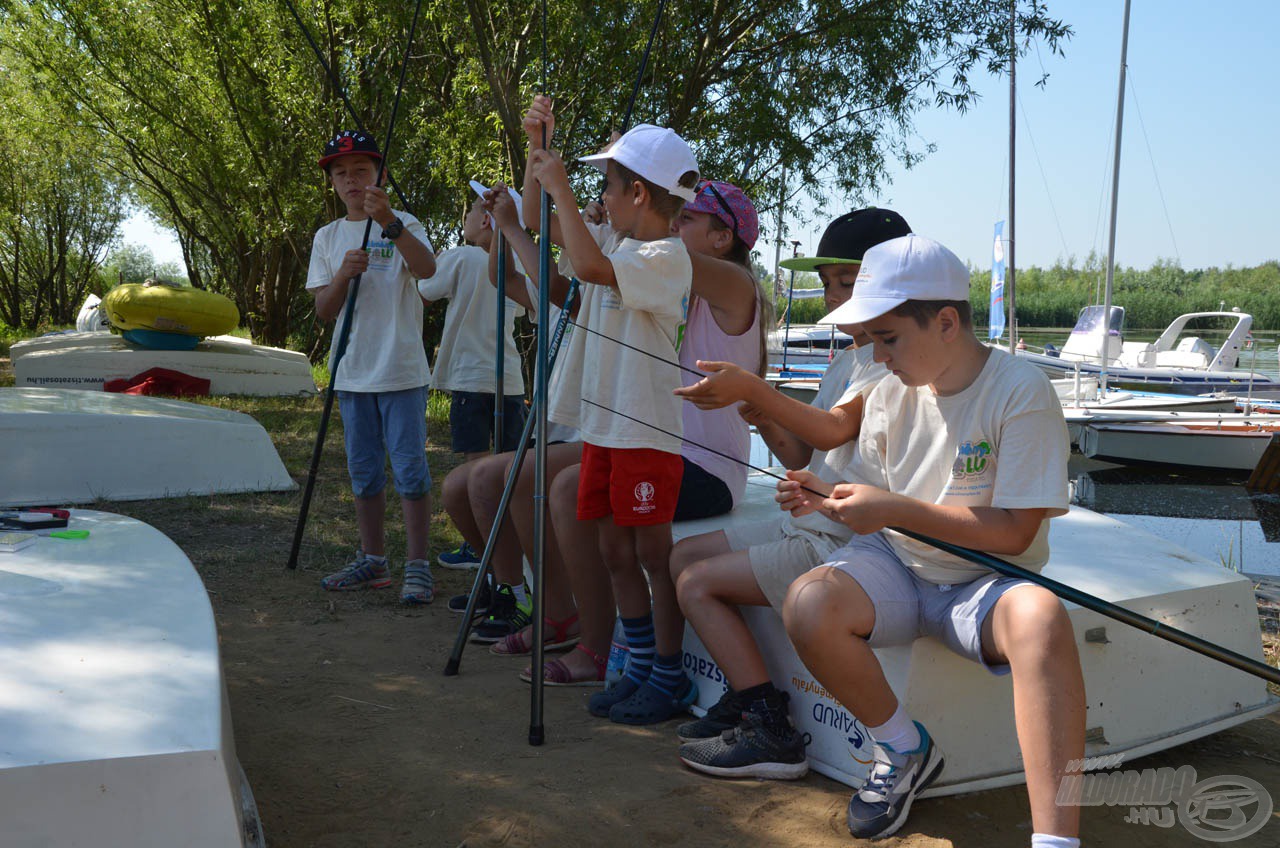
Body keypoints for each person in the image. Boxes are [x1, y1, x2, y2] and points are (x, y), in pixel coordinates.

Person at [776, 234, 1083, 845]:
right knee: (809, 601)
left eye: (887, 338)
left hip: (985, 580)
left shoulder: (1022, 390)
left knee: (1041, 616)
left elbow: (1016, 531)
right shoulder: (888, 392)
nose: (877, 354)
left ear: (946, 322)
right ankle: (903, 747)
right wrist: (824, 499)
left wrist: (893, 509)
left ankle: (1056, 839)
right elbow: (866, 499)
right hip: (896, 560)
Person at [669, 209, 911, 779]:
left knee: (695, 583)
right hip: (807, 523)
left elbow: (829, 429)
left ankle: (767, 722)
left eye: (846, 283)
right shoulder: (849, 359)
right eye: (827, 284)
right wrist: (765, 417)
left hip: (838, 542)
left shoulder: (888, 363)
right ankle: (741, 694)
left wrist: (755, 387)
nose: (832, 297)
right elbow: (808, 455)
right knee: (682, 553)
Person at [524, 179, 769, 690]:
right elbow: (576, 269)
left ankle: (600, 644)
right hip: (645, 437)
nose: (676, 226)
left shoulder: (728, 283)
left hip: (705, 464)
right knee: (522, 476)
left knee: (569, 491)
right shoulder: (663, 275)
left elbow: (632, 252)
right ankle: (598, 638)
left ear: (723, 238)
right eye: (674, 215)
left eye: (687, 218)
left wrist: (624, 219)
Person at [522, 95, 701, 725]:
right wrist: (536, 149)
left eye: (608, 184)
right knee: (616, 553)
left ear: (639, 196)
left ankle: (668, 675)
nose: (601, 194)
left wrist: (563, 187)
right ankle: (638, 664)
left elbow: (586, 265)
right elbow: (535, 219)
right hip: (603, 428)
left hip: (645, 433)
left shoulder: (665, 257)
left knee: (653, 556)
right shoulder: (618, 237)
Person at [305, 130, 439, 605]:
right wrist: (342, 274)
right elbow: (324, 310)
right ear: (333, 184)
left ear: (379, 175)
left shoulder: (404, 221)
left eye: (360, 171)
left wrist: (392, 226)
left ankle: (418, 566)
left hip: (402, 371)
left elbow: (428, 271)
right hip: (351, 373)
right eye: (340, 173)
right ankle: (374, 560)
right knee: (363, 474)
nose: (350, 180)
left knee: (410, 471)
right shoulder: (327, 237)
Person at [422, 188, 528, 570]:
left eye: (469, 212)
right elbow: (517, 313)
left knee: (475, 465)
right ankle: (513, 539)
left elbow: (425, 289)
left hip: (470, 380)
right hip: (510, 384)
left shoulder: (459, 258)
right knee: (505, 468)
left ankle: (482, 543)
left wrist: (432, 262)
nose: (465, 219)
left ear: (485, 219)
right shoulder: (512, 267)